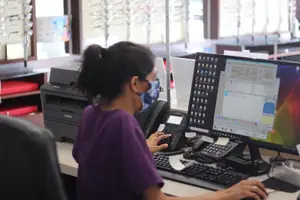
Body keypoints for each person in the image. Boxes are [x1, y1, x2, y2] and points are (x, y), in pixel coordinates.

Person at [73, 41, 267, 200]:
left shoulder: (91, 113)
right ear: (135, 83)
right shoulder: (123, 123)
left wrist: (139, 149)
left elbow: (97, 160)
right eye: (153, 79)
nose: (156, 86)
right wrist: (228, 193)